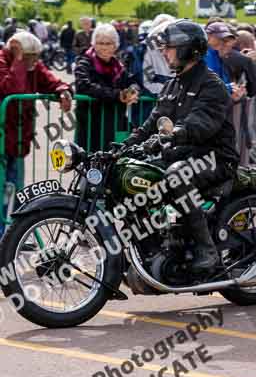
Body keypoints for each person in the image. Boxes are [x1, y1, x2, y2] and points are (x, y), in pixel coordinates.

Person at [123, 20, 239, 274]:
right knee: (132, 170)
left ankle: (206, 249)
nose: (164, 53)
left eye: (170, 48)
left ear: (188, 49)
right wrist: (122, 148)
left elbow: (200, 124)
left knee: (177, 174)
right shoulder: (171, 85)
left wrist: (174, 134)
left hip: (215, 158)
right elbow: (150, 124)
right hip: (182, 154)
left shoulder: (211, 84)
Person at [0, 31, 72, 228]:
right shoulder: (5, 61)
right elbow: (11, 88)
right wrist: (19, 61)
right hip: (3, 136)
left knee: (16, 187)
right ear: (16, 50)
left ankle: (14, 233)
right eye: (30, 55)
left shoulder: (33, 65)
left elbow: (50, 80)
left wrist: (63, 90)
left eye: (35, 56)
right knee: (2, 189)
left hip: (19, 138)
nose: (34, 60)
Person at [74, 23, 140, 153]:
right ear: (93, 44)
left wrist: (132, 91)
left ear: (115, 46)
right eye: (100, 43)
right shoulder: (84, 62)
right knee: (91, 167)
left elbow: (133, 81)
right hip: (90, 126)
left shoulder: (118, 65)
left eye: (108, 43)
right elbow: (84, 85)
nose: (104, 47)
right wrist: (118, 95)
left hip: (114, 125)